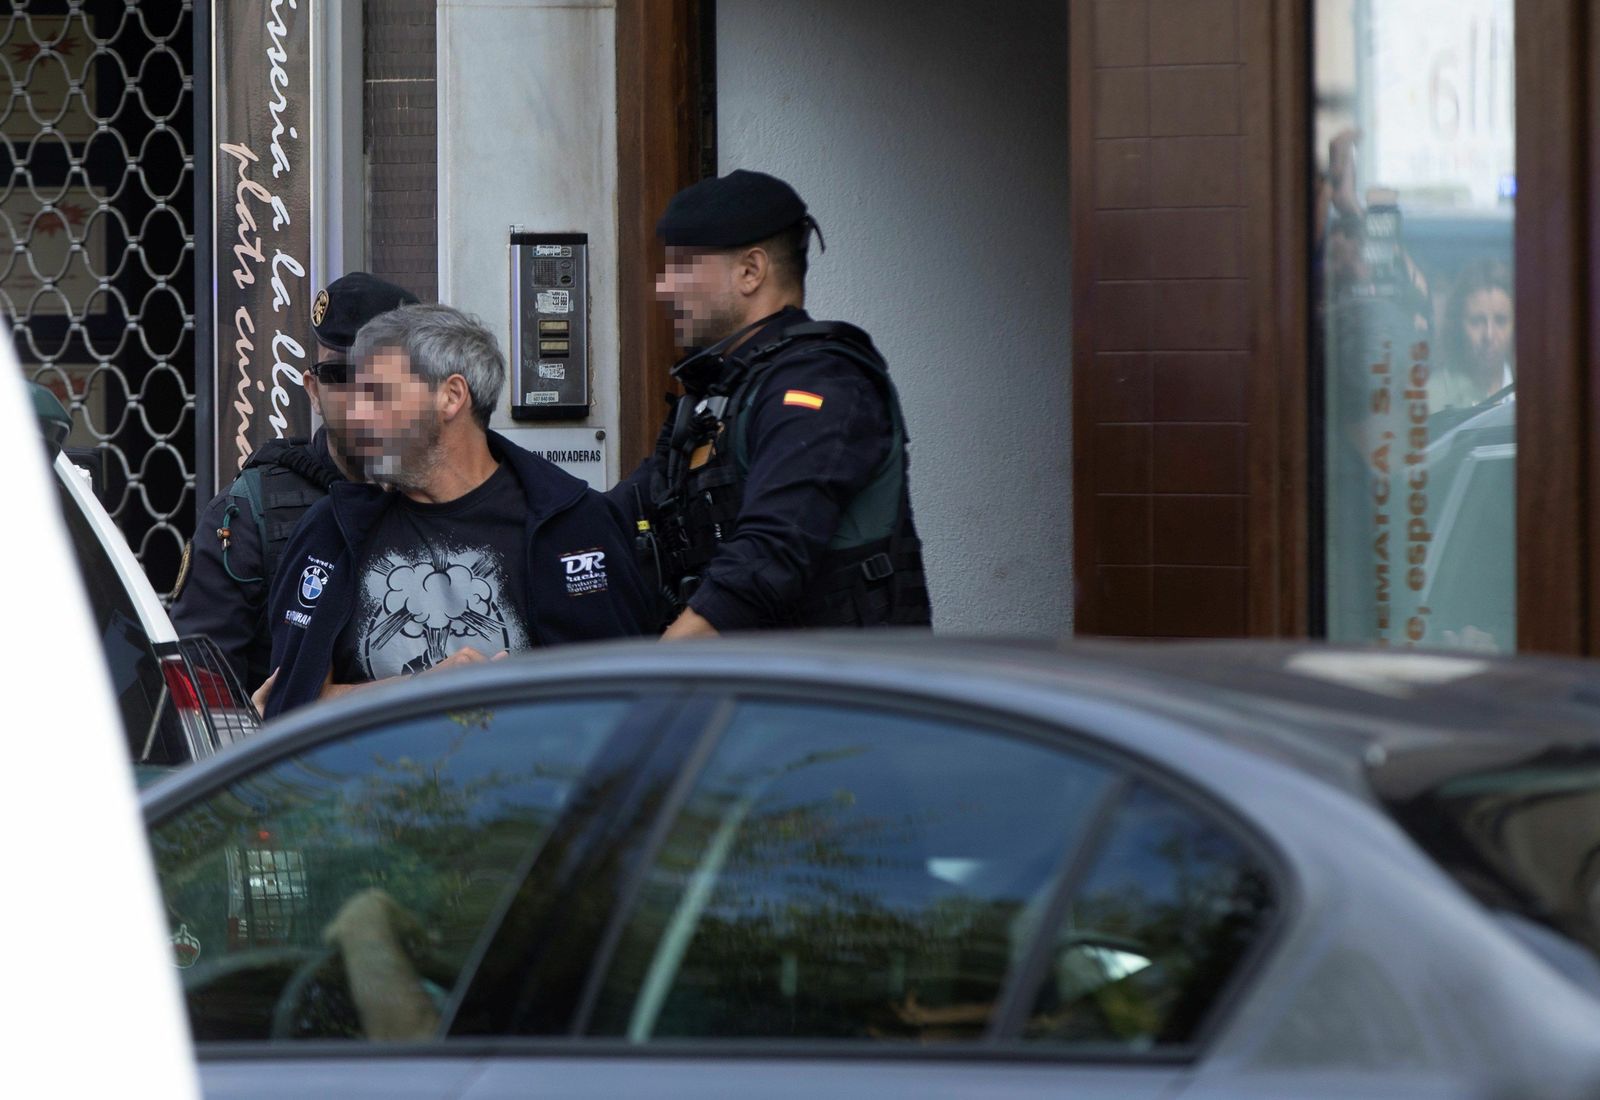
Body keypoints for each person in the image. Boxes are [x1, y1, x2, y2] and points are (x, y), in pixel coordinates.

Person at [257, 303, 651, 717]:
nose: (357, 415)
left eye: (377, 395)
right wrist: (422, 689)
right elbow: (288, 710)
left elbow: (628, 704)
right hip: (375, 782)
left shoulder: (574, 526)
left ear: (451, 396)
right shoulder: (330, 531)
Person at [610, 169, 930, 637]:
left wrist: (653, 677)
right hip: (761, 697)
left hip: (842, 700)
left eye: (682, 266)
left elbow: (766, 559)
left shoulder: (823, 384)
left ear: (750, 271)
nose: (664, 288)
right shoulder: (716, 395)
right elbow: (622, 512)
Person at [171, 272, 418, 690]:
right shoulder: (250, 512)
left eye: (381, 377)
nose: (361, 395)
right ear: (313, 389)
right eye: (339, 375)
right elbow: (204, 698)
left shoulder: (451, 492)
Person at [1432, 258, 1514, 413]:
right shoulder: (1433, 398)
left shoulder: (1537, 389)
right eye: (1477, 321)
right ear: (1457, 327)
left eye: (1501, 321)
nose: (1489, 335)